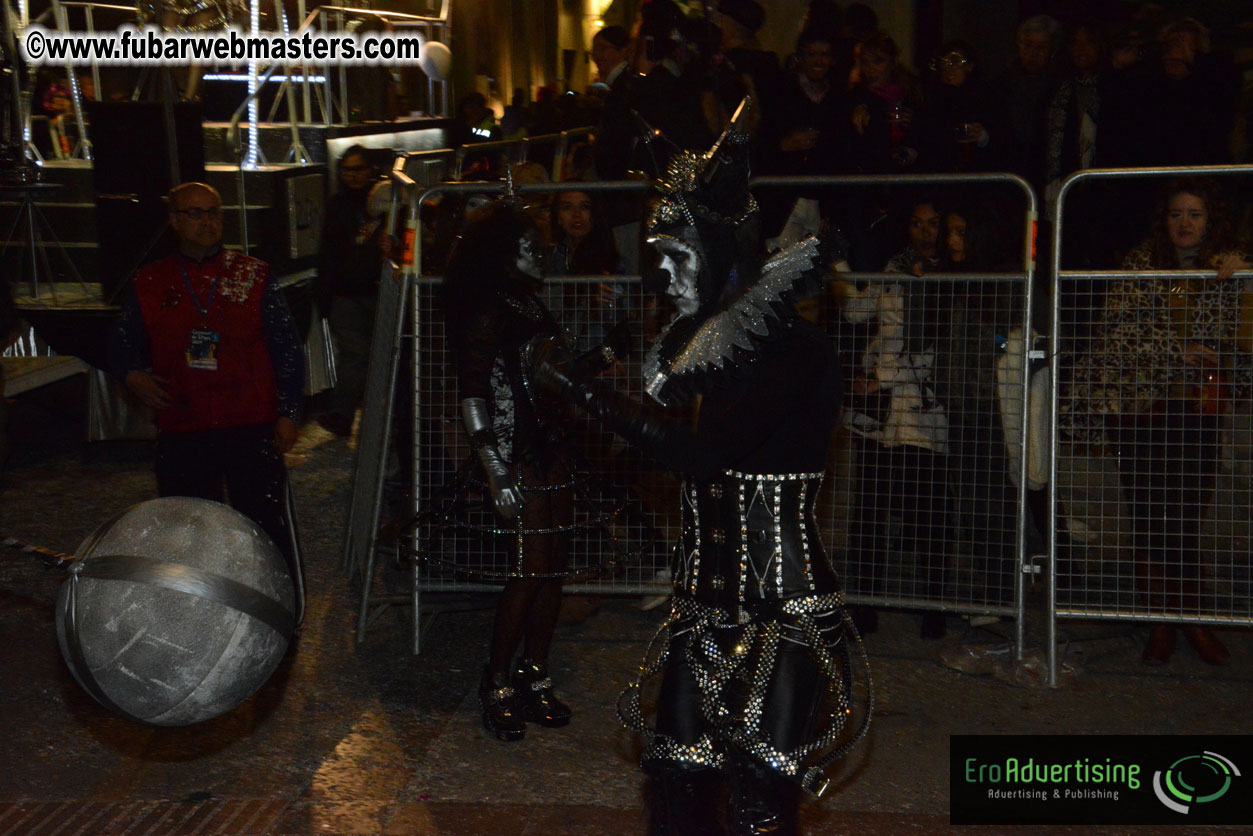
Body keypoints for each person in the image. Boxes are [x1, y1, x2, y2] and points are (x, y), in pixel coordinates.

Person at [533, 100, 869, 836]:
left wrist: (586, 397)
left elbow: (702, 456)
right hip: (702, 604)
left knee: (758, 804)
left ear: (722, 248)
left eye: (674, 252)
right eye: (653, 251)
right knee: (675, 781)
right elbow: (646, 449)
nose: (657, 271)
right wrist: (570, 393)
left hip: (783, 610)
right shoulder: (699, 348)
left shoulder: (791, 349)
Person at [1062, 178, 1252, 666]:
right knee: (1148, 512)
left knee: (1187, 513)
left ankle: (1193, 619)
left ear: (1212, 220)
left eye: (1195, 214)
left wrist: (1240, 277)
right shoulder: (1139, 264)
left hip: (1198, 409)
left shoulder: (1226, 265)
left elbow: (1239, 338)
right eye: (1176, 214)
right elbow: (1118, 330)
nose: (1185, 223)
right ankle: (1161, 622)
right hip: (1142, 410)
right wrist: (1175, 348)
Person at [107, 182, 305, 617]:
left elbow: (287, 347)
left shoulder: (253, 275)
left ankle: (283, 612)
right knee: (188, 529)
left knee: (264, 527)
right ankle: (196, 618)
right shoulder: (151, 280)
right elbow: (120, 344)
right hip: (184, 427)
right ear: (175, 221)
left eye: (213, 212)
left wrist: (289, 412)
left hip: (250, 424)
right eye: (195, 213)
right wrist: (131, 374)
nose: (207, 221)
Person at [440, 196, 577, 742]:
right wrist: (494, 467)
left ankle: (534, 675)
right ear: (502, 251)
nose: (541, 252)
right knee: (528, 569)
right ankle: (495, 681)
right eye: (530, 245)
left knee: (554, 568)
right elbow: (471, 392)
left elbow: (546, 376)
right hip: (513, 454)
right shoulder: (488, 305)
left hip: (551, 449)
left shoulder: (529, 303)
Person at [837, 198, 950, 639]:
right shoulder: (895, 267)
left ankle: (935, 604)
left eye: (933, 224)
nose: (925, 232)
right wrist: (839, 264)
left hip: (921, 414)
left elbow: (932, 352)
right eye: (918, 224)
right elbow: (856, 311)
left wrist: (878, 378)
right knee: (869, 513)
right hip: (880, 416)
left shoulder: (950, 277)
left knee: (927, 515)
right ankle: (864, 604)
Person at [316, 146, 384, 437]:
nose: (353, 176)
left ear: (371, 170)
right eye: (348, 170)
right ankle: (345, 414)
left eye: (359, 169)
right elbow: (328, 252)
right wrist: (325, 294)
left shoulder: (386, 200)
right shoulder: (337, 205)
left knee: (370, 355)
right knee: (355, 355)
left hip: (378, 289)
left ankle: (363, 414)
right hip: (347, 292)